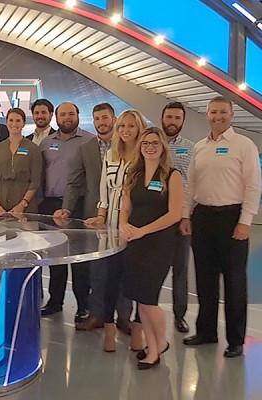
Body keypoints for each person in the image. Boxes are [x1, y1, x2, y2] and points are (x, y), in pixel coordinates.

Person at [181, 97, 261, 358]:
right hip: (203, 217)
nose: (218, 116)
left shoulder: (243, 145)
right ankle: (206, 332)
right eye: (213, 112)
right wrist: (186, 215)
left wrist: (245, 221)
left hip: (232, 218)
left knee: (235, 281)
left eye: (223, 112)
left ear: (232, 115)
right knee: (204, 279)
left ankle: (236, 340)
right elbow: (190, 185)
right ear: (207, 115)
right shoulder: (200, 147)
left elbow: (253, 186)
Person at [55, 103, 131, 331]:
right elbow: (75, 181)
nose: (101, 122)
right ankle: (96, 315)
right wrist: (66, 208)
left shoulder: (130, 147)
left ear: (114, 119)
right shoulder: (86, 148)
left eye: (105, 117)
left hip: (124, 217)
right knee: (97, 271)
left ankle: (124, 317)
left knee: (124, 269)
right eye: (97, 118)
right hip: (94, 217)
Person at [120, 127, 183, 369]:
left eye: (155, 143)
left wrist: (143, 230)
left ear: (163, 148)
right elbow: (126, 207)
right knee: (141, 299)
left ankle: (159, 345)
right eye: (146, 143)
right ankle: (154, 347)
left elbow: (174, 214)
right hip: (135, 243)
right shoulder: (133, 173)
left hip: (159, 244)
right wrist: (124, 224)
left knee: (149, 299)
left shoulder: (172, 175)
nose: (150, 147)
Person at [85, 109, 147, 352]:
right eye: (122, 126)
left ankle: (126, 319)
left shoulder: (145, 155)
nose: (126, 130)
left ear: (139, 128)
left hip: (136, 226)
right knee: (107, 275)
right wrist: (101, 214)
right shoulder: (111, 154)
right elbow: (104, 188)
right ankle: (105, 321)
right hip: (110, 225)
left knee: (131, 276)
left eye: (131, 126)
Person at [39, 102, 93, 319]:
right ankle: (55, 301)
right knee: (56, 257)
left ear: (78, 115)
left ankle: (83, 305)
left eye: (71, 113)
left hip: (78, 205)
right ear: (56, 118)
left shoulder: (89, 141)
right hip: (52, 205)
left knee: (80, 258)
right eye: (63, 114)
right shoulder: (46, 143)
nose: (67, 118)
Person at [160, 101, 194, 333]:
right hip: (153, 216)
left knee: (180, 268)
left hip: (180, 217)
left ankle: (179, 314)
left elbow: (192, 186)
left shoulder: (191, 148)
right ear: (162, 118)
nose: (172, 122)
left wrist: (185, 217)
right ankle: (142, 313)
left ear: (182, 121)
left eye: (177, 118)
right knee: (149, 266)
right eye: (169, 117)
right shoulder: (151, 143)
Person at [0, 108, 42, 213]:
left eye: (18, 121)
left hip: (25, 205)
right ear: (6, 122)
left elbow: (35, 181)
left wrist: (22, 204)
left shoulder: (33, 148)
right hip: (1, 205)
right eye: (11, 120)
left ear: (23, 123)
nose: (14, 124)